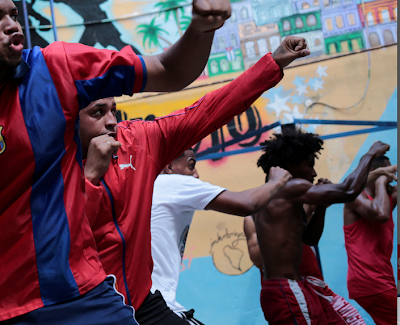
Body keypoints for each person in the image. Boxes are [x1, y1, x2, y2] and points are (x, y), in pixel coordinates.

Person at [0, 0, 231, 325]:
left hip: (80, 299)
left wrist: (201, 29)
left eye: (13, 14)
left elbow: (169, 71)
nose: (12, 25)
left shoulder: (55, 68)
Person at [80, 35, 310, 325]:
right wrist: (90, 178)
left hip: (142, 300)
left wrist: (272, 64)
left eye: (114, 109)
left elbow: (207, 111)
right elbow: (66, 244)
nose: (112, 121)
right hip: (91, 310)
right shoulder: (51, 165)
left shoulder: (136, 141)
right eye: (98, 112)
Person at [253, 129, 390, 325]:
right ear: (292, 165)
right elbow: (348, 190)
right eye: (310, 165)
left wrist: (321, 208)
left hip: (295, 288)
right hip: (287, 290)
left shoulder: (278, 194)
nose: (314, 173)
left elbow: (309, 238)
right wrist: (369, 155)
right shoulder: (290, 188)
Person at [149, 151, 292, 324]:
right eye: (191, 165)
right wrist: (277, 181)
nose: (196, 174)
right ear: (169, 166)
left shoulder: (148, 188)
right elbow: (247, 203)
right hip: (156, 304)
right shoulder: (172, 183)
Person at [244, 205, 367, 324]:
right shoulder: (255, 217)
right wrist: (273, 228)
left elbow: (339, 193)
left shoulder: (299, 206)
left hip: (318, 288)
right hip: (292, 290)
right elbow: (258, 261)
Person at [343, 153, 397, 325]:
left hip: (382, 279)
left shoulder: (387, 199)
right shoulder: (355, 198)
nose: (390, 179)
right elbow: (380, 214)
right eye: (386, 173)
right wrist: (380, 180)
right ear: (374, 172)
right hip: (370, 281)